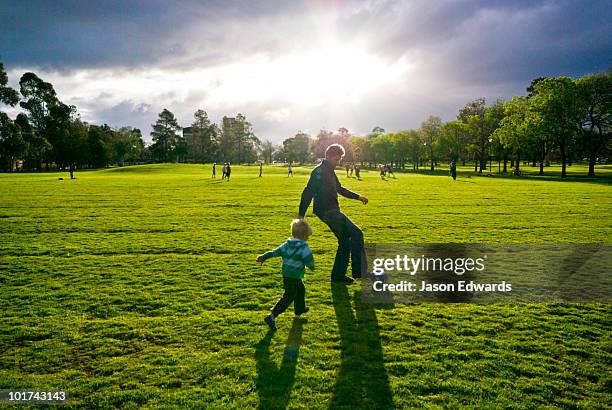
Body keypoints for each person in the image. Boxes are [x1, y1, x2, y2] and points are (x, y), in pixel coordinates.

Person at [298, 144, 368, 284]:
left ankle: (338, 276)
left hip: (331, 211)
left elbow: (339, 189)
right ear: (328, 156)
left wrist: (357, 197)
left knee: (344, 242)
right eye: (336, 159)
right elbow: (308, 192)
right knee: (357, 233)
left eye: (339, 159)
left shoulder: (330, 171)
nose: (338, 162)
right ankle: (360, 272)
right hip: (328, 212)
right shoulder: (319, 171)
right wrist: (301, 215)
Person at [257, 219, 315, 331]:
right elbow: (308, 259)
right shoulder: (303, 247)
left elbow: (275, 252)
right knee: (289, 296)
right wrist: (311, 266)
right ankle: (272, 315)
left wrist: (264, 256)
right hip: (294, 275)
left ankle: (300, 309)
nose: (308, 238)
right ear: (304, 236)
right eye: (307, 236)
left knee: (300, 289)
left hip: (287, 274)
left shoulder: (286, 244)